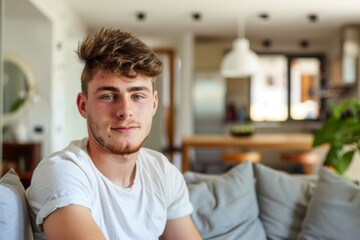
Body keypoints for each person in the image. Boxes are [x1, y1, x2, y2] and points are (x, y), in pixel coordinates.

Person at [26, 28, 202, 240]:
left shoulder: (162, 172)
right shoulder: (62, 173)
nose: (125, 111)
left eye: (137, 96)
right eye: (109, 96)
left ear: (154, 103)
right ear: (83, 105)